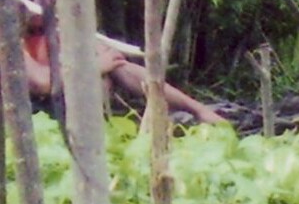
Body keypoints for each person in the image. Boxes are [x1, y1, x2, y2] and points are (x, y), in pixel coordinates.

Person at [22, 11, 225, 126]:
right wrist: (93, 67)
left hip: (74, 120)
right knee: (98, 71)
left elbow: (118, 65)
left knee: (109, 72)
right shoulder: (9, 36)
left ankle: (199, 111)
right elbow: (41, 82)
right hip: (30, 123)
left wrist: (197, 109)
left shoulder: (63, 31)